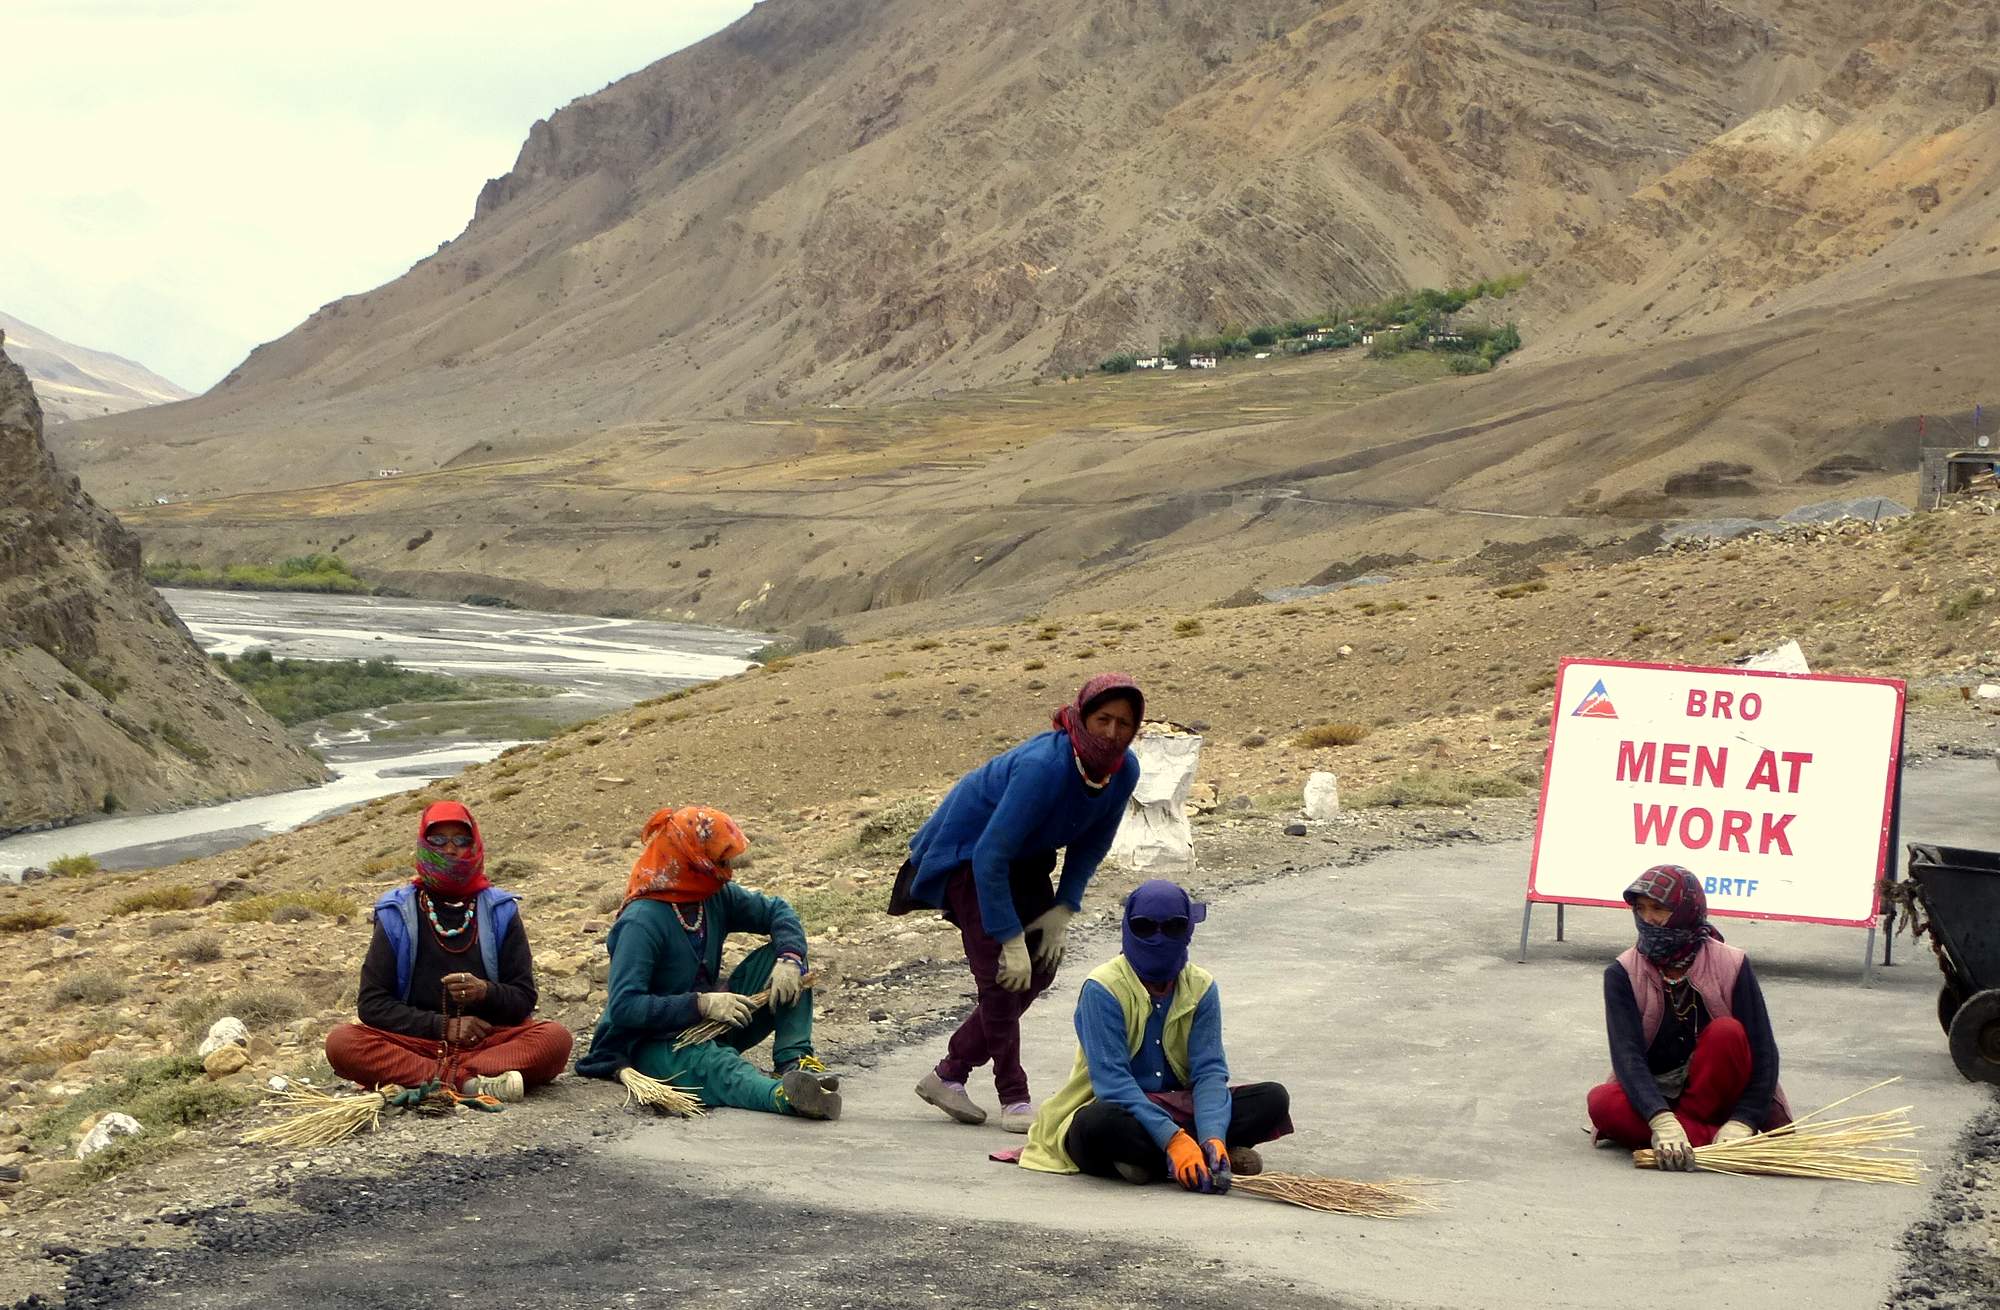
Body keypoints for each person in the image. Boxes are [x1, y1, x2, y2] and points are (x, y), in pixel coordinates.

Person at [892, 673, 1144, 1133]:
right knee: (1004, 976)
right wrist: (1009, 939)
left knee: (1041, 967)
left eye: (1124, 723)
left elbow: (1092, 843)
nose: (1112, 732)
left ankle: (948, 1074)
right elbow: (989, 854)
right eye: (1103, 719)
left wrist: (1064, 908)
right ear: (1082, 718)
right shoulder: (1043, 766)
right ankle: (1014, 1095)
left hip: (1022, 861)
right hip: (965, 856)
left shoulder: (1123, 771)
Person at [1019, 880, 1292, 1187]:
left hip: (1179, 1106)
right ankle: (1183, 1156)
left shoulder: (1201, 988)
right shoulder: (1102, 989)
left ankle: (1184, 1156)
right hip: (1121, 1108)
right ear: (1127, 928)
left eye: (1173, 927)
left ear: (1188, 929)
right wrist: (1174, 1139)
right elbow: (1113, 1084)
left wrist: (1213, 1133)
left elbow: (1209, 1073)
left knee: (1271, 1100)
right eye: (1145, 927)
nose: (1159, 938)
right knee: (1098, 1125)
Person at [576, 805, 841, 1120]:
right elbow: (624, 1007)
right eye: (719, 860)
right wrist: (701, 1005)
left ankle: (794, 1063)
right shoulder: (641, 922)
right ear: (690, 858)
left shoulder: (711, 895)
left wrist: (790, 958)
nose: (727, 867)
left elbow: (776, 911)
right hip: (651, 1043)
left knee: (784, 960)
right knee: (717, 1066)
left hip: (710, 1023)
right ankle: (786, 1096)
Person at [325, 801, 573, 1101]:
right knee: (342, 1042)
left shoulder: (500, 910)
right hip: (416, 1041)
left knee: (554, 1039)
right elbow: (372, 1004)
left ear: (475, 845)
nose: (450, 850)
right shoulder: (397, 912)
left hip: (488, 1041)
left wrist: (484, 992)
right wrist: (444, 1026)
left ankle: (433, 1079)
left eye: (461, 841)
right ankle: (470, 1081)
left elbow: (523, 998)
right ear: (423, 845)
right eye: (438, 841)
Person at [1586, 863, 1791, 1170]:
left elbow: (1764, 1052)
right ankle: (1710, 1143)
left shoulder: (1732, 963)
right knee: (1601, 1102)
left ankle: (1720, 1138)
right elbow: (1627, 1059)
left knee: (1727, 1033)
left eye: (1659, 908)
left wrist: (1744, 1120)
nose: (1647, 918)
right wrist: (1661, 1119)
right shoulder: (1622, 973)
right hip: (1658, 1096)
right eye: (1640, 908)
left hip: (1720, 1094)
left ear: (1686, 909)